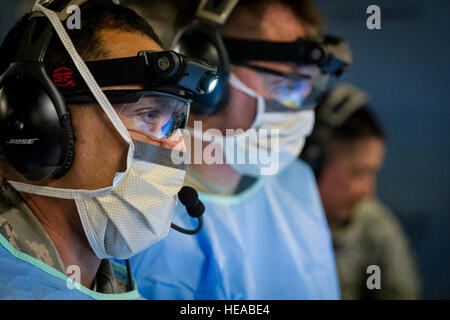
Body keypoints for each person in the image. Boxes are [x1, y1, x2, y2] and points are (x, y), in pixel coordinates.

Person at [126, 0, 352, 299]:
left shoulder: (296, 185)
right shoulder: (129, 201)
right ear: (208, 69)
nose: (299, 109)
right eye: (285, 85)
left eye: (307, 90)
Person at [0, 0, 217, 299]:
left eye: (173, 122)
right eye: (148, 115)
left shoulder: (113, 283)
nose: (173, 149)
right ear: (39, 122)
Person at [300, 83, 421, 299]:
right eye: (357, 174)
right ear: (313, 165)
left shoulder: (373, 231)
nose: (368, 192)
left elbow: (380, 288)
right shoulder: (272, 225)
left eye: (372, 173)